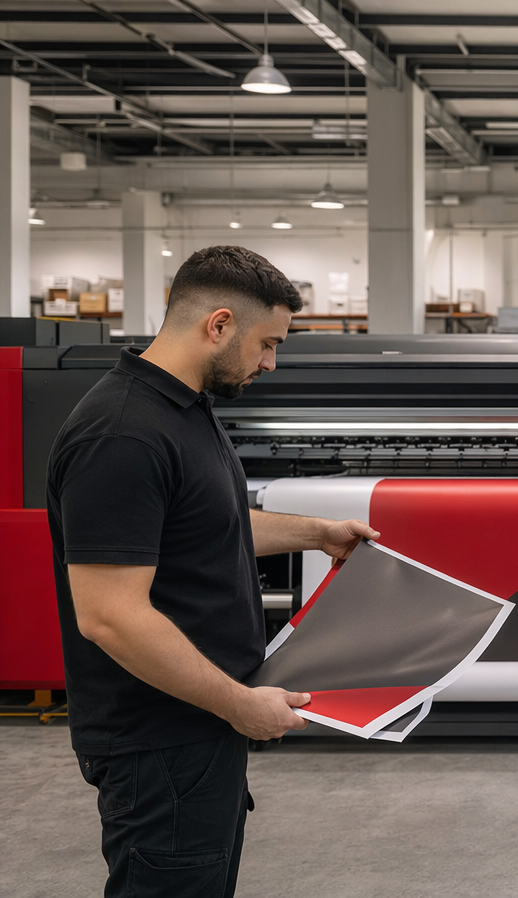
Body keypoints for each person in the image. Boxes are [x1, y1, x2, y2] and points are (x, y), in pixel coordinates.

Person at [49, 245, 379, 898]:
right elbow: (111, 616)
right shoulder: (123, 435)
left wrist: (318, 534)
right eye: (267, 343)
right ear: (219, 324)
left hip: (199, 726)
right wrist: (241, 704)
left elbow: (207, 526)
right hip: (158, 740)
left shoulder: (182, 408)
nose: (270, 362)